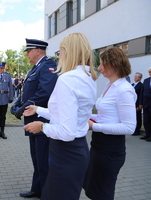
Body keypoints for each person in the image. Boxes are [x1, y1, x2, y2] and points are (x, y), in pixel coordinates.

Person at [23, 33, 97, 200]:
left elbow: (67, 131)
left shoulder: (67, 79)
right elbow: (69, 115)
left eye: (60, 51)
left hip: (66, 153)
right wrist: (39, 110)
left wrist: (41, 126)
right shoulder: (87, 77)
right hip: (77, 151)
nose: (59, 55)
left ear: (68, 52)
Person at [83, 47, 136, 200]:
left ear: (114, 64)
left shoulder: (124, 90)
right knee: (94, 189)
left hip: (110, 150)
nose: (99, 68)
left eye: (102, 64)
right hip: (99, 146)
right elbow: (105, 115)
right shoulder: (109, 86)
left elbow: (129, 127)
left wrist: (94, 126)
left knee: (102, 192)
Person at [11, 38, 58, 198]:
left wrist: (24, 107)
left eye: (28, 51)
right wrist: (17, 103)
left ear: (38, 50)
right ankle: (37, 188)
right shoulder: (35, 68)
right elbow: (27, 91)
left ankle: (46, 192)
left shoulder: (48, 66)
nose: (27, 54)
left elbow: (45, 92)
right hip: (32, 119)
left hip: (41, 120)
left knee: (43, 159)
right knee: (37, 158)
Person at [139, 68, 151, 140]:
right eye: (149, 72)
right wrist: (141, 103)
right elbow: (142, 93)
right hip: (146, 103)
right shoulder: (146, 80)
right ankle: (147, 134)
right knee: (146, 120)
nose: (150, 73)